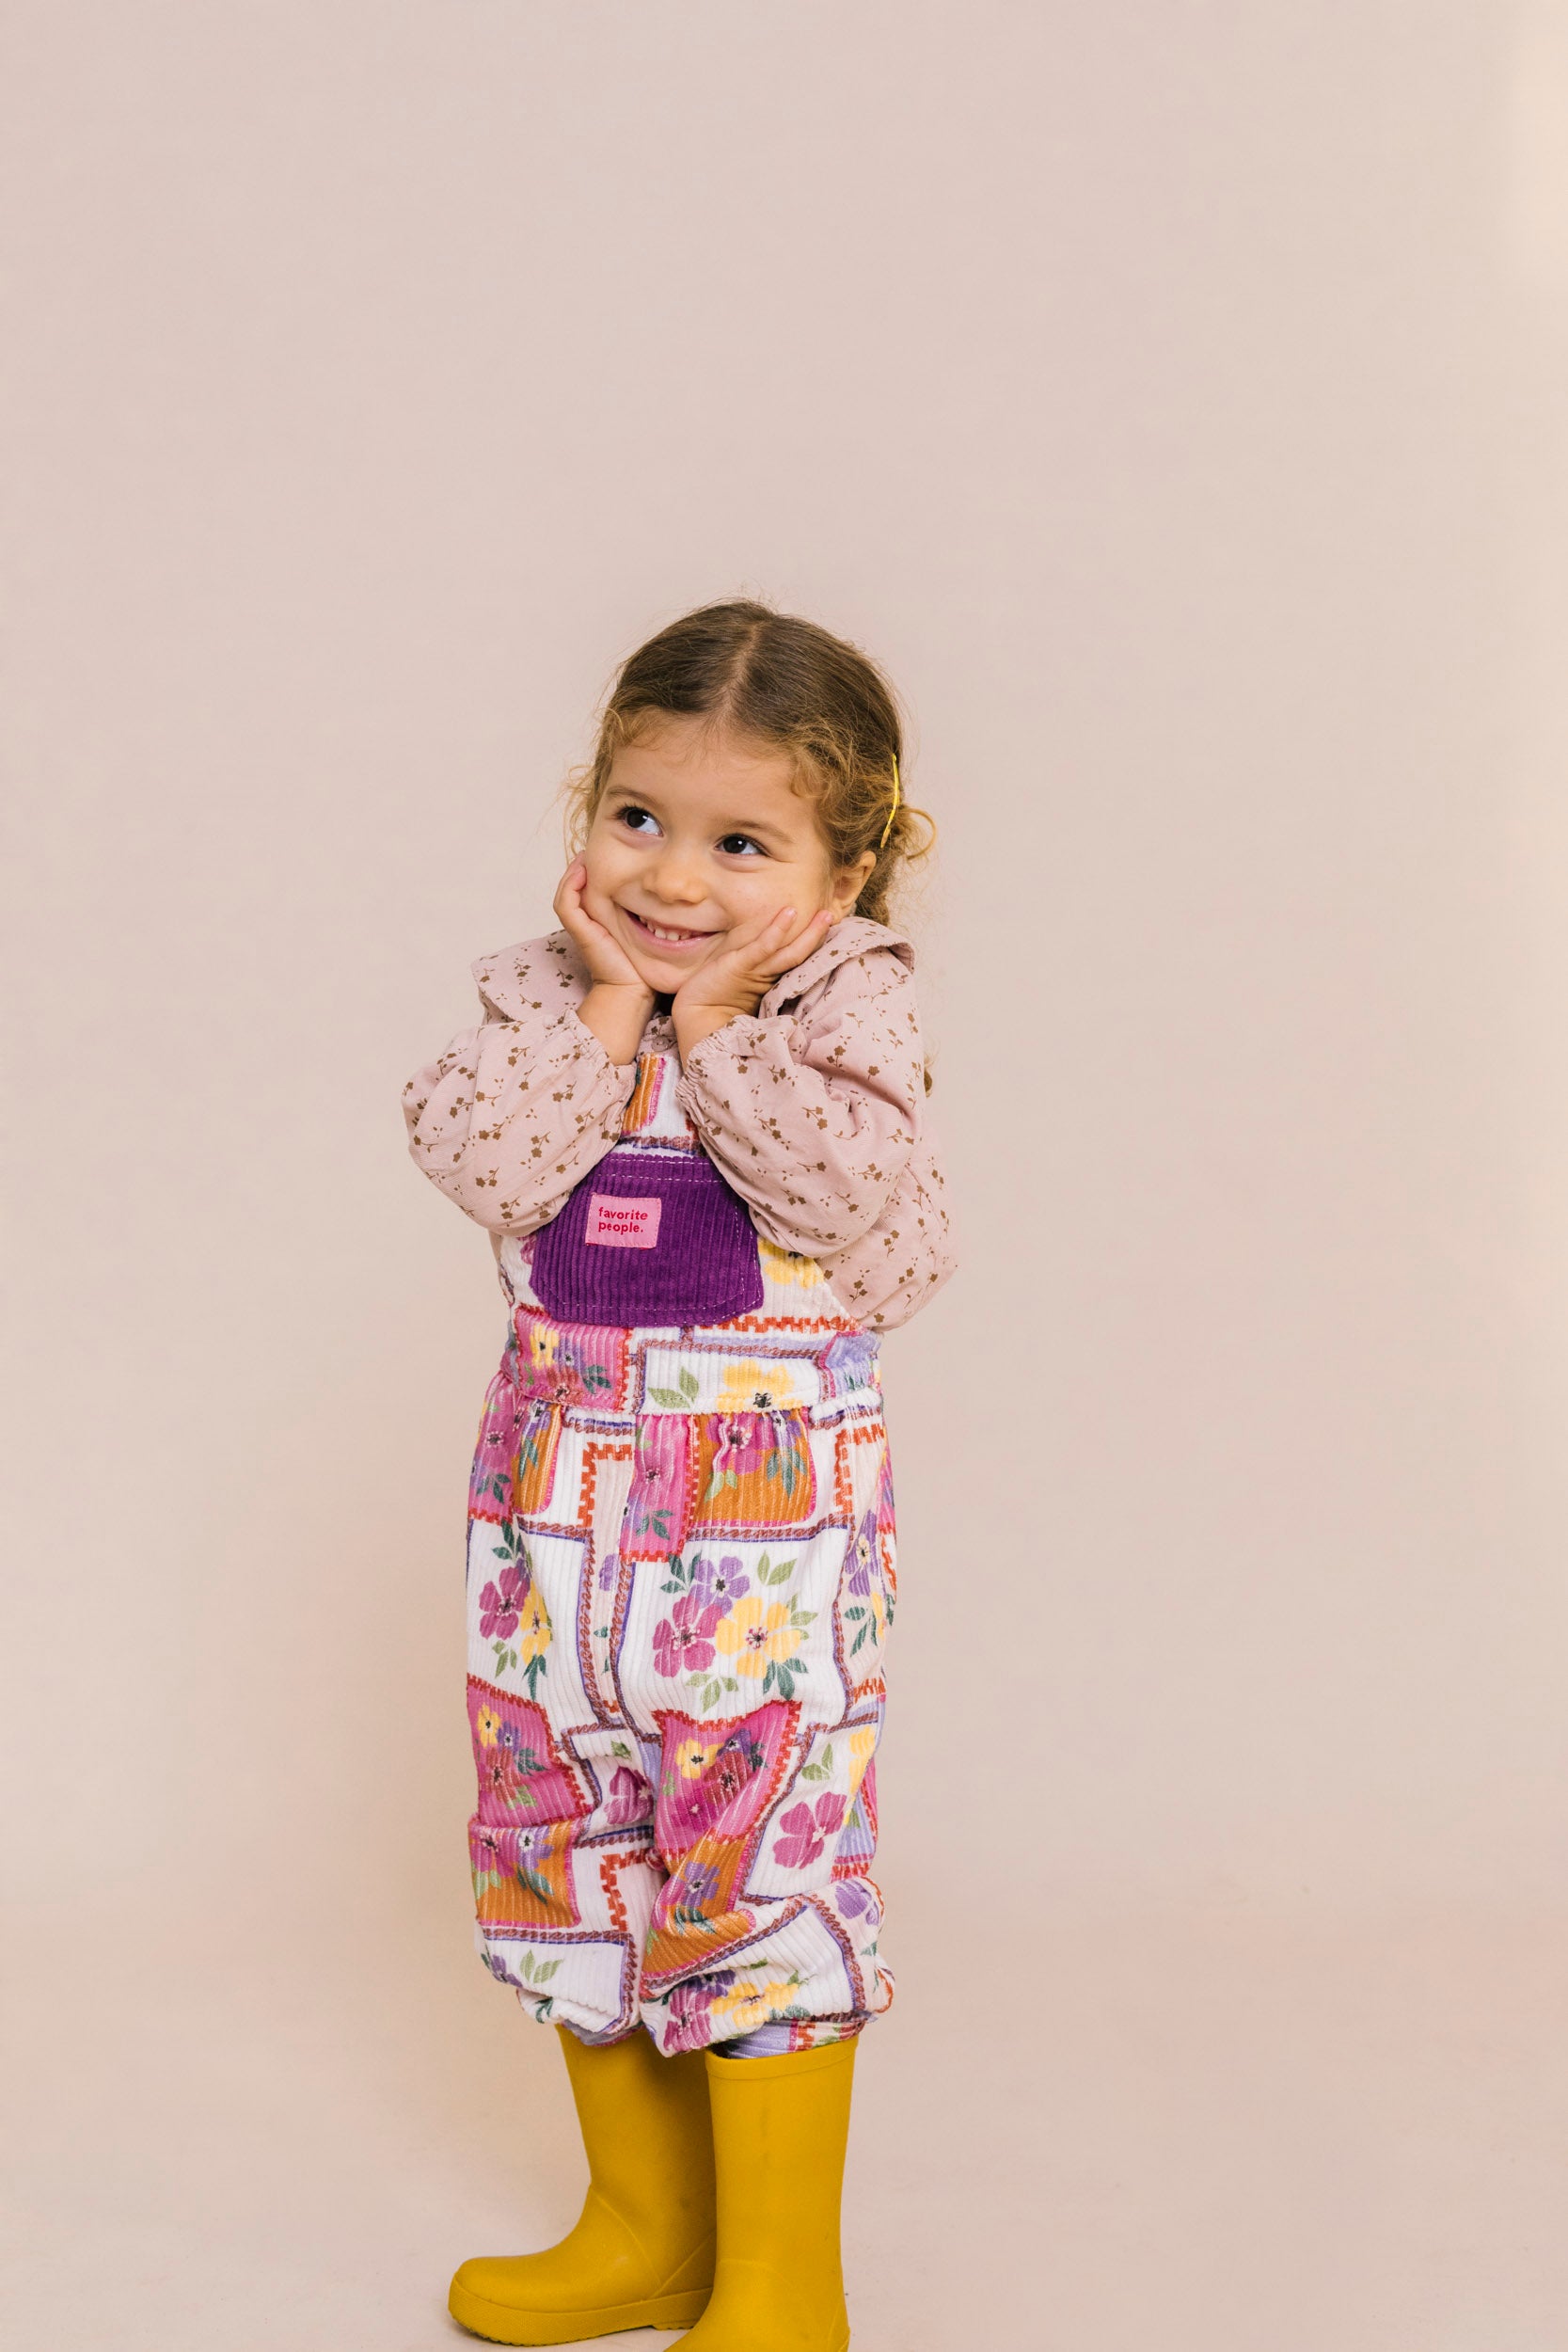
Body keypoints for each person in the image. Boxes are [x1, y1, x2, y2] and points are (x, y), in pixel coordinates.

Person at [403, 599, 957, 2349]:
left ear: (845, 870)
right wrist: (606, 1013)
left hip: (761, 1559)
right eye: (639, 817)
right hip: (552, 1536)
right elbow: (486, 1165)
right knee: (567, 1845)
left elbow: (861, 1216)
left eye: (741, 844)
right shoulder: (542, 996)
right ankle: (644, 2229)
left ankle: (783, 2288)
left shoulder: (846, 1013)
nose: (672, 876)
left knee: (757, 1866)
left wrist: (715, 1031)